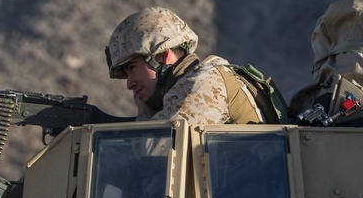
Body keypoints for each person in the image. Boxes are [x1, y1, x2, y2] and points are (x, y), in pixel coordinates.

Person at [105, 7, 271, 124]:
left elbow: (153, 155)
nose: (129, 84)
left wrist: (144, 114)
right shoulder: (192, 85)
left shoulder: (202, 84)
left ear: (163, 56)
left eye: (133, 68)